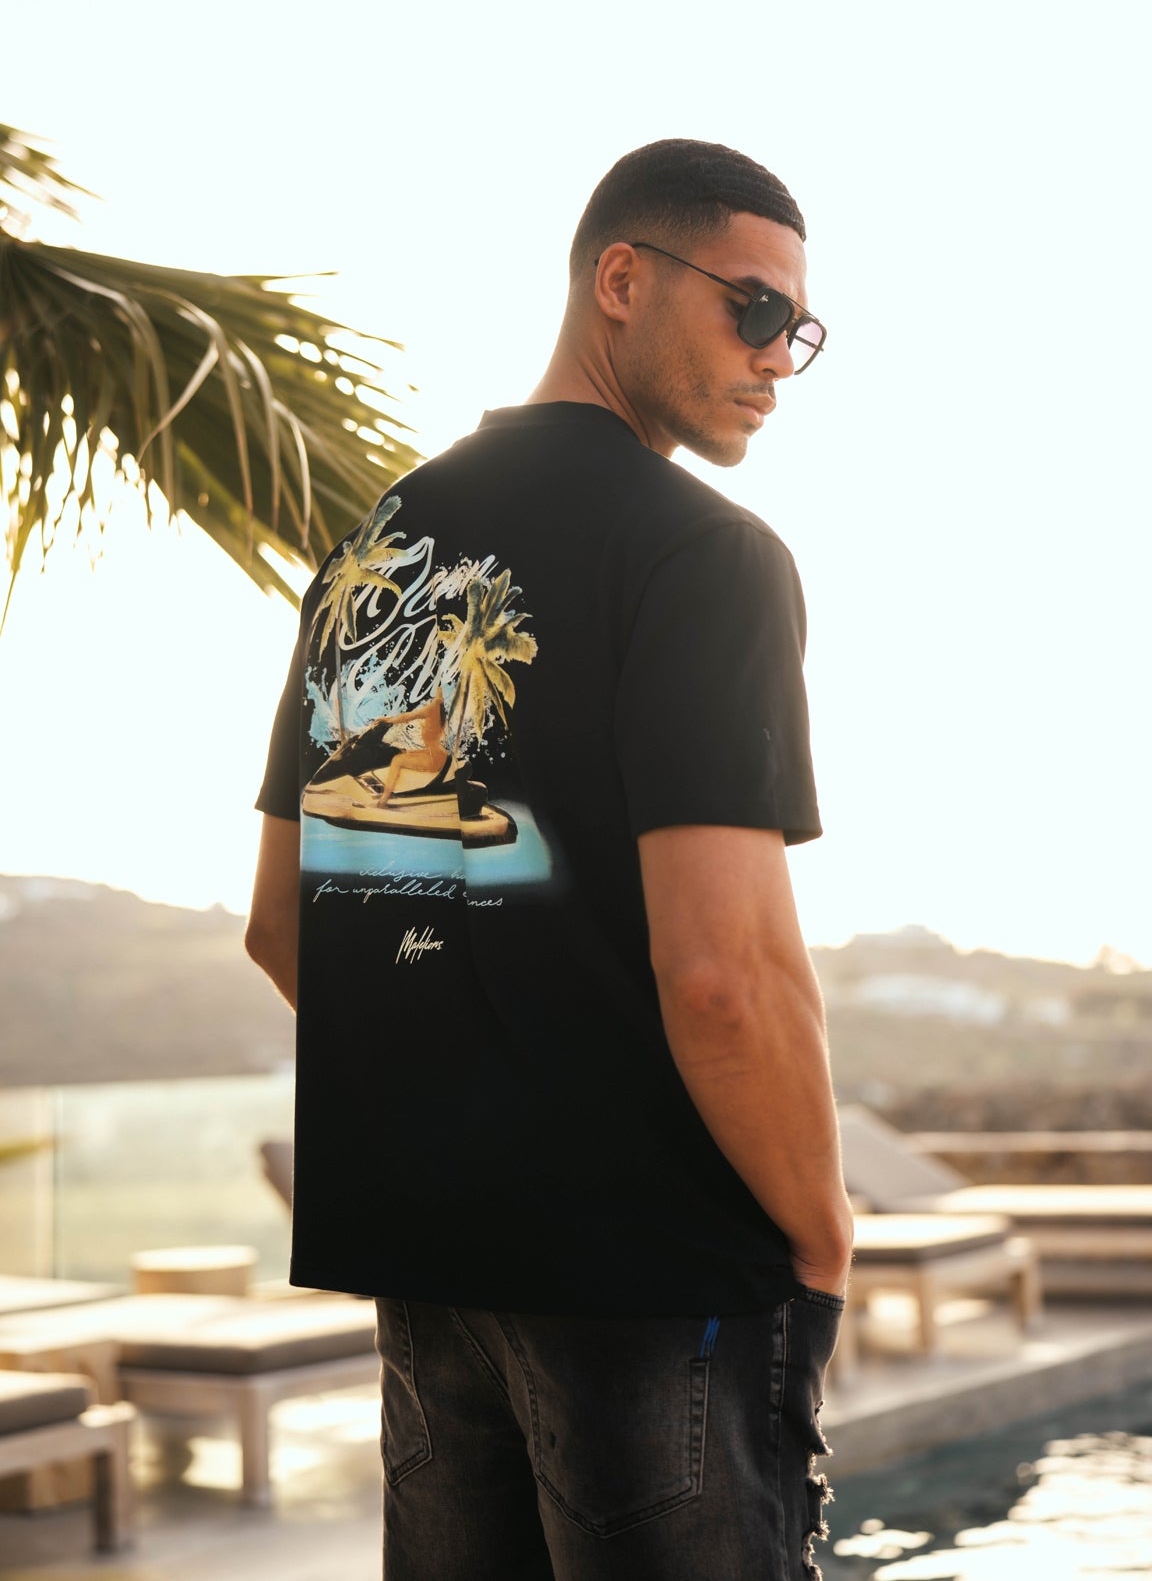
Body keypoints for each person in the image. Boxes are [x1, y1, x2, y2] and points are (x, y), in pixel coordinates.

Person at [247, 138, 854, 1581]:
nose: (779, 358)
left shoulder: (378, 549)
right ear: (621, 281)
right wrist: (825, 1233)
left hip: (431, 1268)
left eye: (801, 331)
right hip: (650, 1279)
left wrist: (478, 1110)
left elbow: (285, 924)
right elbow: (727, 978)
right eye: (755, 310)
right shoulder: (703, 555)